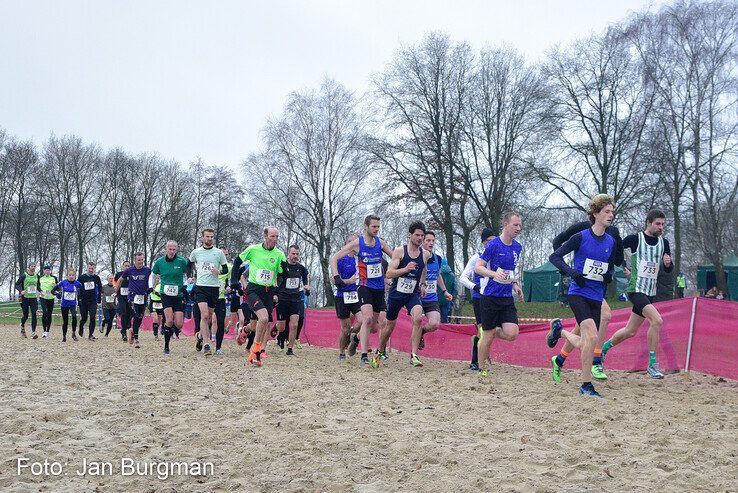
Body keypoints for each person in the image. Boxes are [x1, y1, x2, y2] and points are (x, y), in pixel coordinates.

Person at [547, 196, 625, 381]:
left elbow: (613, 264)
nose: (611, 215)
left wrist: (609, 275)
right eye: (607, 211)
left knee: (585, 337)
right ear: (595, 213)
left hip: (597, 293)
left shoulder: (612, 237)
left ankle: (559, 351)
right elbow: (556, 252)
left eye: (612, 211)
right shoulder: (580, 233)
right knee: (593, 332)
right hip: (579, 291)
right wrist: (571, 272)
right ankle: (592, 369)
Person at [601, 209, 674, 379]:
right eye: (658, 223)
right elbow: (616, 247)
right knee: (657, 320)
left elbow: (668, 269)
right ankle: (652, 364)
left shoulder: (665, 243)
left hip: (650, 292)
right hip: (636, 289)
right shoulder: (635, 239)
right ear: (648, 222)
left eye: (663, 224)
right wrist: (622, 264)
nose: (661, 227)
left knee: (630, 331)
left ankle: (604, 348)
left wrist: (668, 264)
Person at [330, 215, 394, 367]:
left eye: (378, 227)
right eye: (374, 227)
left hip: (379, 288)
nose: (376, 230)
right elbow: (334, 258)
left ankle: (356, 338)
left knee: (373, 327)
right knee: (367, 319)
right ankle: (364, 355)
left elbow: (395, 257)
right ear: (366, 226)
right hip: (364, 286)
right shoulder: (357, 244)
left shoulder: (381, 243)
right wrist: (336, 276)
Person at [372, 221, 430, 368]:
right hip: (397, 293)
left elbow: (424, 269)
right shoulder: (400, 251)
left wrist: (422, 284)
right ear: (409, 235)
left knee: (418, 318)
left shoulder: (425, 254)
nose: (420, 238)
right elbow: (390, 273)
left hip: (412, 294)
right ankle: (379, 351)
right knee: (389, 326)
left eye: (422, 236)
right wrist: (405, 269)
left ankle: (414, 355)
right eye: (417, 235)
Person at [474, 213, 524, 377]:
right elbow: (478, 268)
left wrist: (515, 284)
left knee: (512, 333)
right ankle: (481, 368)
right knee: (487, 337)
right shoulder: (493, 245)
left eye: (519, 225)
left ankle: (491, 329)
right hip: (490, 296)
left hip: (506, 297)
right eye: (515, 225)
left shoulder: (517, 247)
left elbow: (511, 271)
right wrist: (493, 274)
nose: (518, 228)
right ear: (505, 224)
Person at [232, 226, 286, 367]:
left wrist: (277, 289)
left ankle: (244, 330)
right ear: (265, 236)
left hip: (268, 291)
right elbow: (237, 261)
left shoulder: (279, 254)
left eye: (276, 237)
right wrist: (233, 281)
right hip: (253, 289)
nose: (274, 240)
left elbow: (282, 275)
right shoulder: (253, 249)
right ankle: (256, 352)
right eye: (272, 236)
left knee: (257, 325)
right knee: (264, 318)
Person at [188, 229, 229, 357]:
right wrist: (190, 276)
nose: (209, 239)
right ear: (202, 238)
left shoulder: (218, 253)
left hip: (214, 288)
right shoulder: (196, 252)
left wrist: (219, 272)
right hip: (200, 287)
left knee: (209, 317)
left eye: (211, 237)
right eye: (207, 236)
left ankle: (200, 335)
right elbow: (188, 264)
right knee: (204, 315)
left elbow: (226, 269)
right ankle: (206, 344)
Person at [460, 228, 495, 370]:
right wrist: (475, 287)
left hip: (494, 297)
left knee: (492, 330)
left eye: (494, 241)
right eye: (488, 241)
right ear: (483, 243)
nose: (491, 244)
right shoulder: (476, 258)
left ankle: (482, 351)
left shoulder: (498, 257)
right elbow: (463, 277)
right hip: (479, 298)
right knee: (482, 330)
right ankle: (474, 362)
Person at [418, 231, 454, 351]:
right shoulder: (416, 256)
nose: (431, 243)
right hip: (417, 296)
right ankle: (413, 352)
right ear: (422, 241)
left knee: (434, 324)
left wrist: (445, 291)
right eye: (428, 240)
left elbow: (437, 274)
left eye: (433, 241)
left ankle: (421, 332)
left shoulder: (437, 258)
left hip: (431, 296)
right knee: (415, 321)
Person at [152, 240, 189, 355]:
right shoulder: (160, 262)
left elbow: (186, 274)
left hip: (178, 295)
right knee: (169, 320)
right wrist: (151, 287)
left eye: (174, 249)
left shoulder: (182, 261)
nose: (172, 251)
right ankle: (166, 347)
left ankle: (168, 329)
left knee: (179, 324)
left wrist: (185, 285)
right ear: (166, 249)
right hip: (165, 294)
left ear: (176, 250)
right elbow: (153, 275)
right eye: (170, 249)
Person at [331, 234, 364, 361]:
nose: (353, 244)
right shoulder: (340, 259)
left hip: (356, 295)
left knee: (362, 320)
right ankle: (341, 352)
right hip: (342, 296)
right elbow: (334, 280)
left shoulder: (360, 259)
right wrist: (348, 281)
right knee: (344, 328)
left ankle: (351, 335)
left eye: (355, 242)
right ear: (346, 244)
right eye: (351, 242)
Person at [276, 245, 310, 356]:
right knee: (282, 326)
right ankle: (279, 335)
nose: (295, 256)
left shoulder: (301, 268)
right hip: (283, 299)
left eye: (297, 254)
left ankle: (290, 348)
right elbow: (275, 279)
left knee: (294, 324)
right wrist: (275, 293)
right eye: (293, 254)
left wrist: (306, 286)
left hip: (295, 299)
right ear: (289, 254)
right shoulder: (282, 266)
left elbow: (305, 279)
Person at [117, 253, 153, 349]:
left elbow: (153, 277)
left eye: (142, 260)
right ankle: (136, 340)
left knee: (141, 317)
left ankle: (133, 330)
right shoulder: (129, 270)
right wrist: (116, 290)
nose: (141, 262)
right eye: (139, 260)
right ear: (135, 260)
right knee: (136, 315)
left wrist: (151, 287)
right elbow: (120, 280)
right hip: (133, 296)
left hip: (143, 296)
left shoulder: (147, 270)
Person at [53, 269, 83, 342]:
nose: (71, 276)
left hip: (73, 304)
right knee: (65, 321)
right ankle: (64, 336)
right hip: (64, 304)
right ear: (67, 276)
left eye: (73, 275)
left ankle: (73, 333)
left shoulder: (78, 283)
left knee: (74, 317)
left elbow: (82, 291)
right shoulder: (63, 282)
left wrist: (80, 299)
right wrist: (57, 294)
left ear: (75, 276)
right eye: (69, 275)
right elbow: (53, 291)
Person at [77, 261, 103, 340]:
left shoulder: (96, 278)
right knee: (84, 318)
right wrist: (79, 299)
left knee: (92, 317)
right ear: (87, 268)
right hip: (83, 301)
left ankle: (90, 335)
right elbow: (78, 289)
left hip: (92, 301)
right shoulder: (81, 277)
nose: (91, 270)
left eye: (92, 268)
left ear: (94, 269)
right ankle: (81, 326)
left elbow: (100, 288)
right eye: (89, 268)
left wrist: (99, 299)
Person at [14, 262, 39, 339]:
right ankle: (22, 325)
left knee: (34, 313)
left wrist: (41, 291)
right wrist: (21, 291)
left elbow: (38, 285)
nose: (33, 267)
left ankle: (33, 332)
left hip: (33, 298)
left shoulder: (36, 276)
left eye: (34, 266)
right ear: (29, 267)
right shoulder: (24, 275)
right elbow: (16, 284)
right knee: (26, 315)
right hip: (25, 298)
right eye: (32, 266)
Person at [37, 264, 58, 338]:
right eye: (46, 270)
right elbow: (38, 287)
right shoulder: (40, 278)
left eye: (48, 270)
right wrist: (40, 291)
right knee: (44, 312)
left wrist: (54, 286)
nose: (47, 271)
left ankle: (48, 331)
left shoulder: (54, 278)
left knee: (49, 314)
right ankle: (44, 331)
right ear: (44, 271)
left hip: (51, 298)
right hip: (43, 297)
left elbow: (57, 288)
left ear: (50, 271)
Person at [114, 261, 132, 341]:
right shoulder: (118, 274)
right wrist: (115, 290)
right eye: (125, 266)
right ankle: (124, 332)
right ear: (122, 266)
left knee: (130, 313)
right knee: (124, 313)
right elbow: (114, 282)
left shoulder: (132, 274)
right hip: (121, 296)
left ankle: (125, 327)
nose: (127, 267)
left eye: (128, 266)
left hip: (129, 296)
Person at [438, 259, 457, 324]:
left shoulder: (437, 274)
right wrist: (452, 297)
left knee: (434, 317)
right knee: (445, 318)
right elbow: (455, 289)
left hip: (436, 299)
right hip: (447, 299)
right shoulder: (452, 275)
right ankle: (444, 331)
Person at [149, 275, 163, 341]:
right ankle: (156, 335)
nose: (157, 279)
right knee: (155, 319)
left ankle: (156, 331)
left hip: (160, 304)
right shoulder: (151, 286)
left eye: (158, 278)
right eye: (156, 278)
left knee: (159, 322)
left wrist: (156, 292)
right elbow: (146, 292)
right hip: (153, 303)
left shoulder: (162, 286)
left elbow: (162, 295)